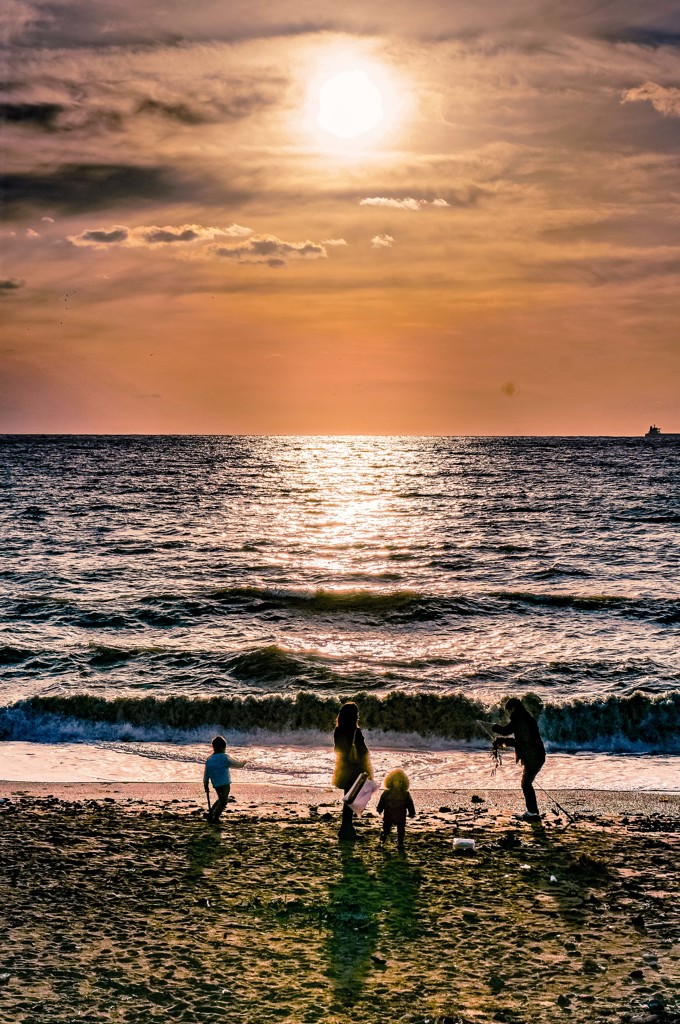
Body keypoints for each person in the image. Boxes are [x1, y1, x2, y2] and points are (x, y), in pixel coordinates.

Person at [492, 697, 546, 821]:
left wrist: (496, 729)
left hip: (534, 756)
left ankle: (532, 813)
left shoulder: (519, 718)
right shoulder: (526, 718)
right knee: (526, 783)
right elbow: (519, 740)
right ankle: (533, 812)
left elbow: (508, 732)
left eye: (509, 711)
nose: (510, 714)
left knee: (526, 783)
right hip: (537, 755)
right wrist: (502, 741)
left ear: (514, 708)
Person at [332, 701, 373, 842]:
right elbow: (364, 753)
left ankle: (347, 829)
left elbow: (337, 750)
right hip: (356, 771)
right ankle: (346, 830)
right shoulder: (356, 732)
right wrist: (369, 772)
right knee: (350, 803)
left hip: (343, 769)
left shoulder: (338, 731)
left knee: (348, 801)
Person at [203, 735, 247, 824]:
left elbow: (206, 774)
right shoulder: (224, 757)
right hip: (225, 783)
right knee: (223, 801)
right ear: (224, 747)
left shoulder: (209, 759)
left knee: (221, 798)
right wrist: (242, 763)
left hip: (215, 783)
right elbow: (235, 764)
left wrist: (205, 783)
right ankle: (215, 817)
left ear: (214, 747)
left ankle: (211, 813)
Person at [377, 769, 415, 849]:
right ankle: (382, 841)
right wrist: (380, 808)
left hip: (400, 814)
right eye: (396, 781)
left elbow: (410, 804)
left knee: (401, 829)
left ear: (403, 782)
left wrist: (411, 812)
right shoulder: (387, 793)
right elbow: (382, 801)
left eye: (400, 781)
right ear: (391, 782)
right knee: (386, 828)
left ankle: (400, 843)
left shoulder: (405, 794)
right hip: (389, 814)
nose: (398, 783)